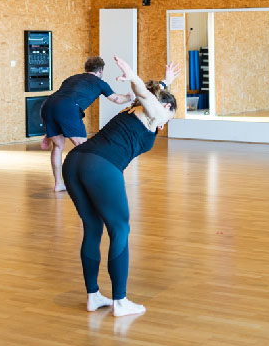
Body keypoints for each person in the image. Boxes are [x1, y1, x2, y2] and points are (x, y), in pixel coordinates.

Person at [62, 57, 180, 316]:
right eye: (170, 117)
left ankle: (93, 296)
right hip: (100, 167)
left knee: (93, 227)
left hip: (74, 161)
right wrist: (134, 77)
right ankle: (120, 301)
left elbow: (149, 94)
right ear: (166, 107)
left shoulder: (132, 110)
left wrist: (165, 81)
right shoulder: (156, 112)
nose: (165, 123)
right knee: (120, 229)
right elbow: (148, 96)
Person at [41, 57, 137, 192]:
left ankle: (59, 184)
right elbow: (117, 99)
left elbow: (61, 99)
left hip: (48, 105)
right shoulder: (99, 83)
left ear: (87, 68)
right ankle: (91, 182)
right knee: (86, 149)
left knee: (58, 146)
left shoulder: (71, 78)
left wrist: (49, 132)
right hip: (68, 108)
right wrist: (130, 97)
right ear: (100, 70)